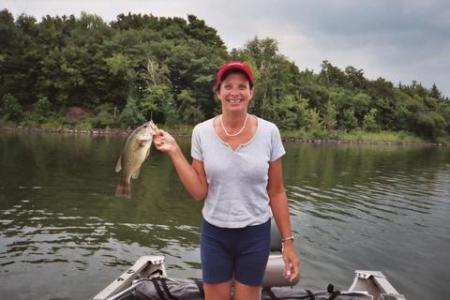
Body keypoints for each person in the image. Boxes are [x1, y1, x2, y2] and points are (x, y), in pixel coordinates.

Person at [153, 61, 300, 300]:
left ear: (251, 92)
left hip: (255, 233)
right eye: (228, 86)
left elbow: (277, 191)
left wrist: (288, 243)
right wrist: (174, 151)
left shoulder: (269, 132)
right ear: (218, 92)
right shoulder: (201, 132)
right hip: (215, 233)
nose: (235, 93)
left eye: (242, 86)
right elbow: (199, 192)